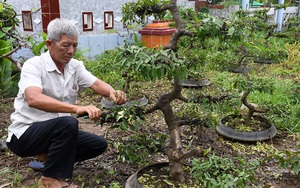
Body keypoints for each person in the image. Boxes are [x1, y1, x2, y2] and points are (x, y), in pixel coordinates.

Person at [6, 18, 126, 188]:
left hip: (56, 134)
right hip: (25, 135)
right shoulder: (34, 66)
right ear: (49, 43)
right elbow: (33, 98)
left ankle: (47, 160)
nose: (71, 51)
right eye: (65, 45)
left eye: (75, 46)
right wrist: (76, 108)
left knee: (97, 145)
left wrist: (112, 92)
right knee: (68, 123)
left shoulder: (74, 67)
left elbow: (96, 84)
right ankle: (50, 180)